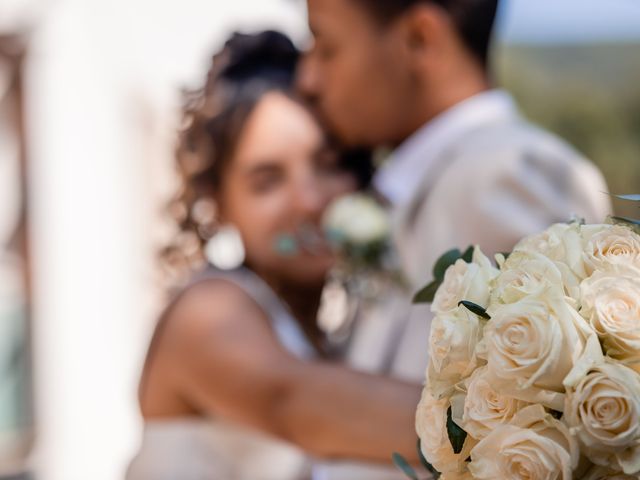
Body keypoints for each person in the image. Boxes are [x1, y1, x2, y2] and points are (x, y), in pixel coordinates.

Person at [298, 0, 612, 477]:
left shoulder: (510, 172)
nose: (309, 79)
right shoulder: (438, 182)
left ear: (420, 39)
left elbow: (545, 428)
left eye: (327, 47)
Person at [126, 31, 421, 480]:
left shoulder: (338, 326)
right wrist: (519, 413)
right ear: (219, 203)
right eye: (268, 181)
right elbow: (294, 404)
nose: (308, 201)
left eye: (328, 164)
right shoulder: (207, 312)